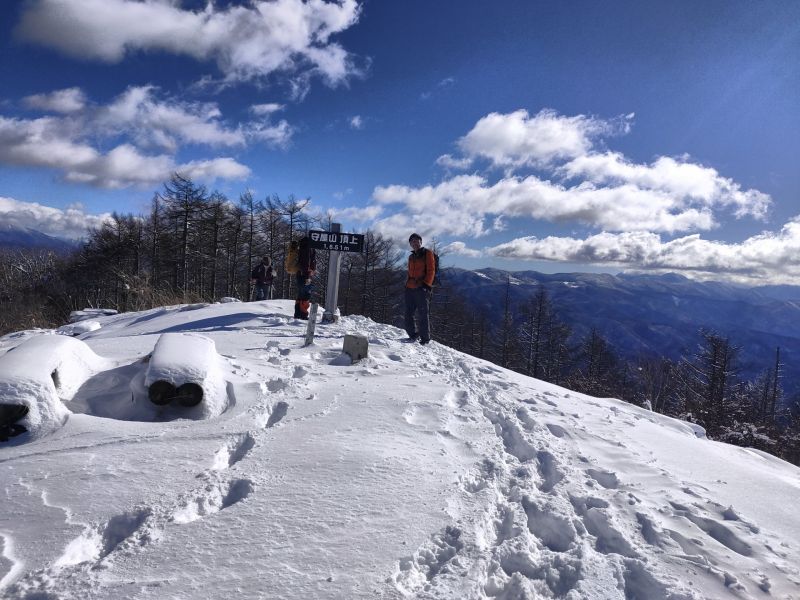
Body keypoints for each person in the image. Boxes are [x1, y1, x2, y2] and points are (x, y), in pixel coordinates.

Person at [404, 232, 435, 344]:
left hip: (422, 288)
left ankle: (425, 339)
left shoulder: (427, 253)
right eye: (412, 241)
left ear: (421, 242)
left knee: (423, 314)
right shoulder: (411, 257)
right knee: (408, 313)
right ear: (410, 244)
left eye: (417, 241)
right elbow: (409, 272)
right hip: (410, 288)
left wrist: (426, 285)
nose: (415, 243)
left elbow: (431, 270)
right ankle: (413, 335)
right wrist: (406, 284)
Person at [294, 235, 316, 319]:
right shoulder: (308, 249)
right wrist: (307, 276)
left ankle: (297, 314)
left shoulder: (301, 248)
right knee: (306, 295)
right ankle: (303, 315)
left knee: (300, 295)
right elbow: (306, 263)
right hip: (305, 275)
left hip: (300, 274)